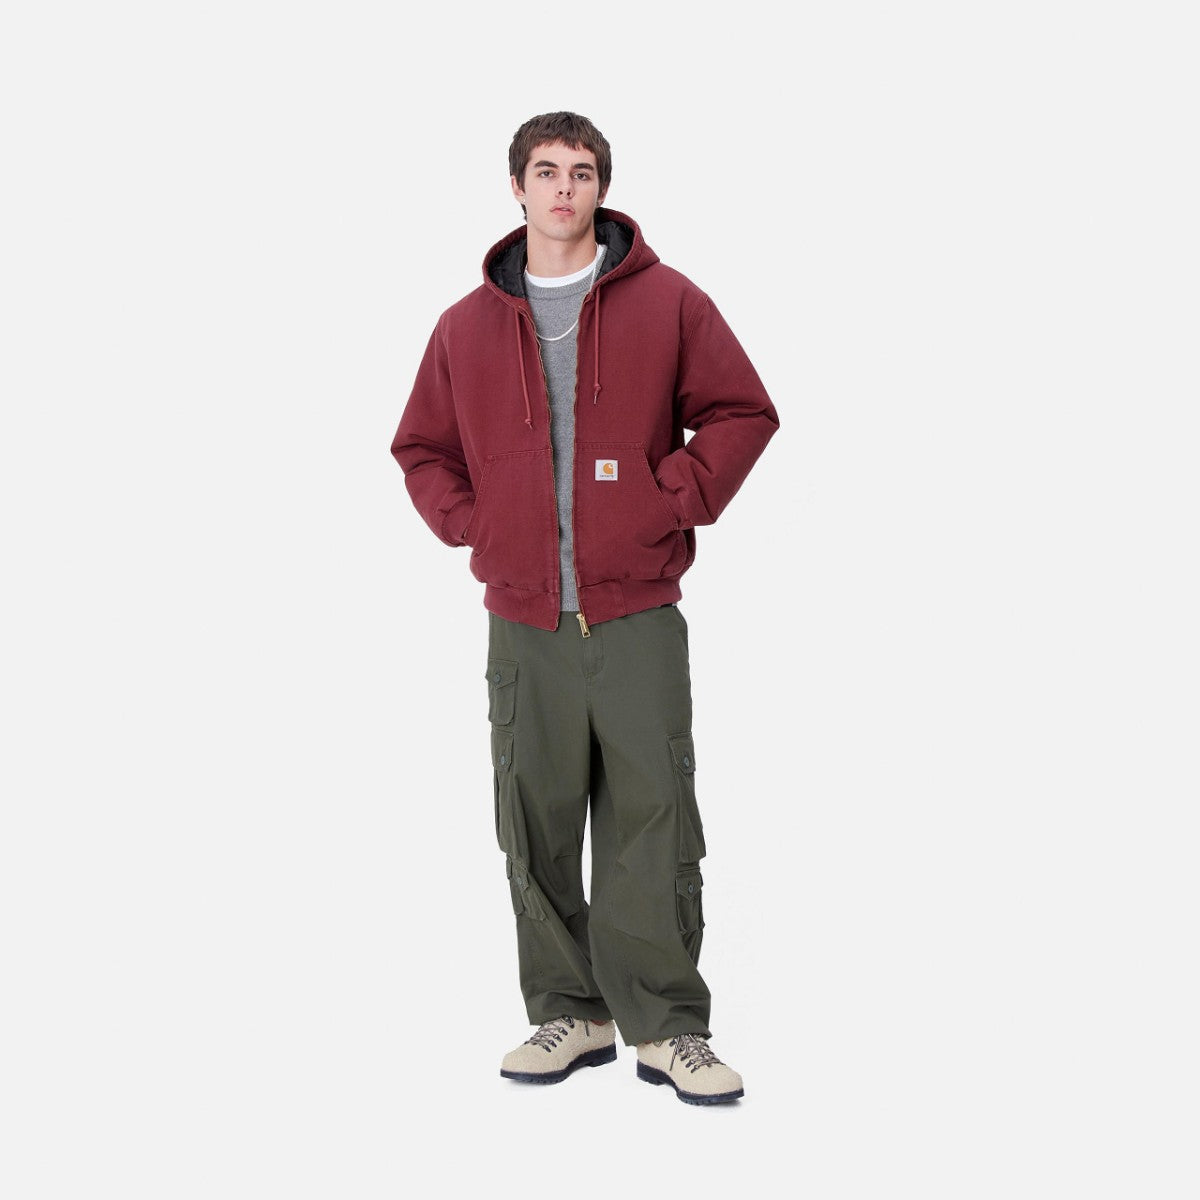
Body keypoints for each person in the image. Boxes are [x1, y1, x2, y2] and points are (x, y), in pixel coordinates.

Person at [391, 111, 779, 1106]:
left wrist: (668, 500)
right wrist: (475, 525)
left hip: (637, 611)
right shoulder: (465, 326)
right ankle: (572, 1013)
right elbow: (421, 447)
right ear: (516, 187)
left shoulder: (669, 301)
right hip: (523, 620)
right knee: (536, 819)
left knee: (654, 817)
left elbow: (742, 411)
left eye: (582, 172)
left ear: (601, 188)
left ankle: (668, 1025)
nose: (564, 188)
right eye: (546, 171)